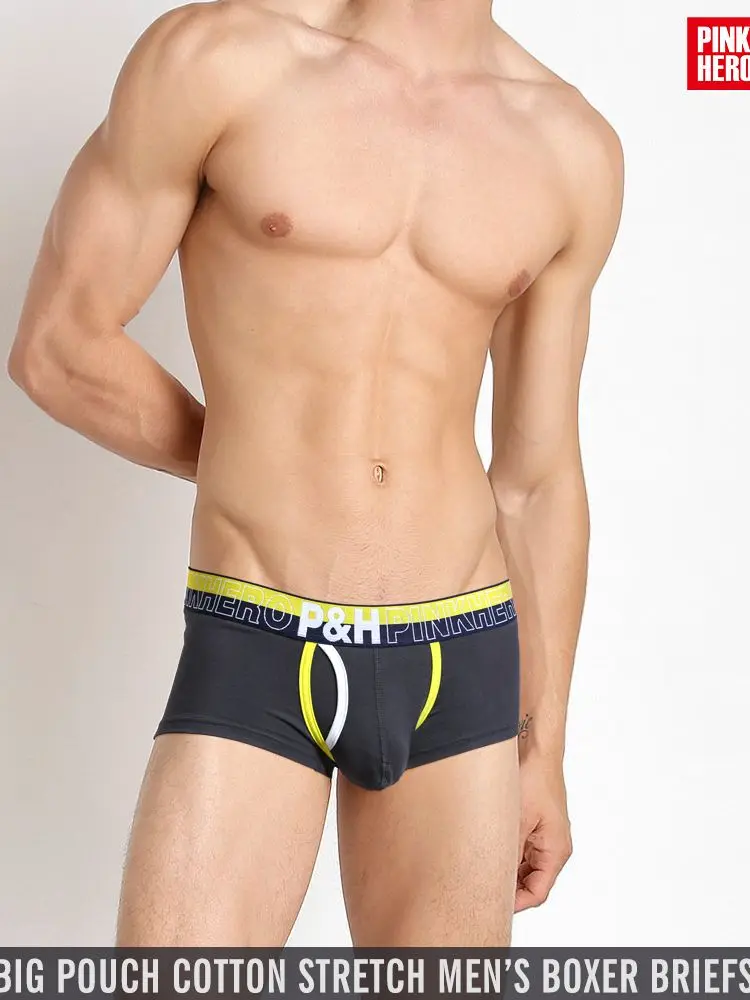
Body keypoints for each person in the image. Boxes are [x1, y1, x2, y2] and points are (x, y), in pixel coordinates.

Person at [7, 0, 623, 946]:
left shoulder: (570, 147)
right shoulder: (220, 60)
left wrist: (545, 750)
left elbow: (537, 481)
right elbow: (59, 344)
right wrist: (258, 461)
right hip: (259, 630)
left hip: (461, 652)